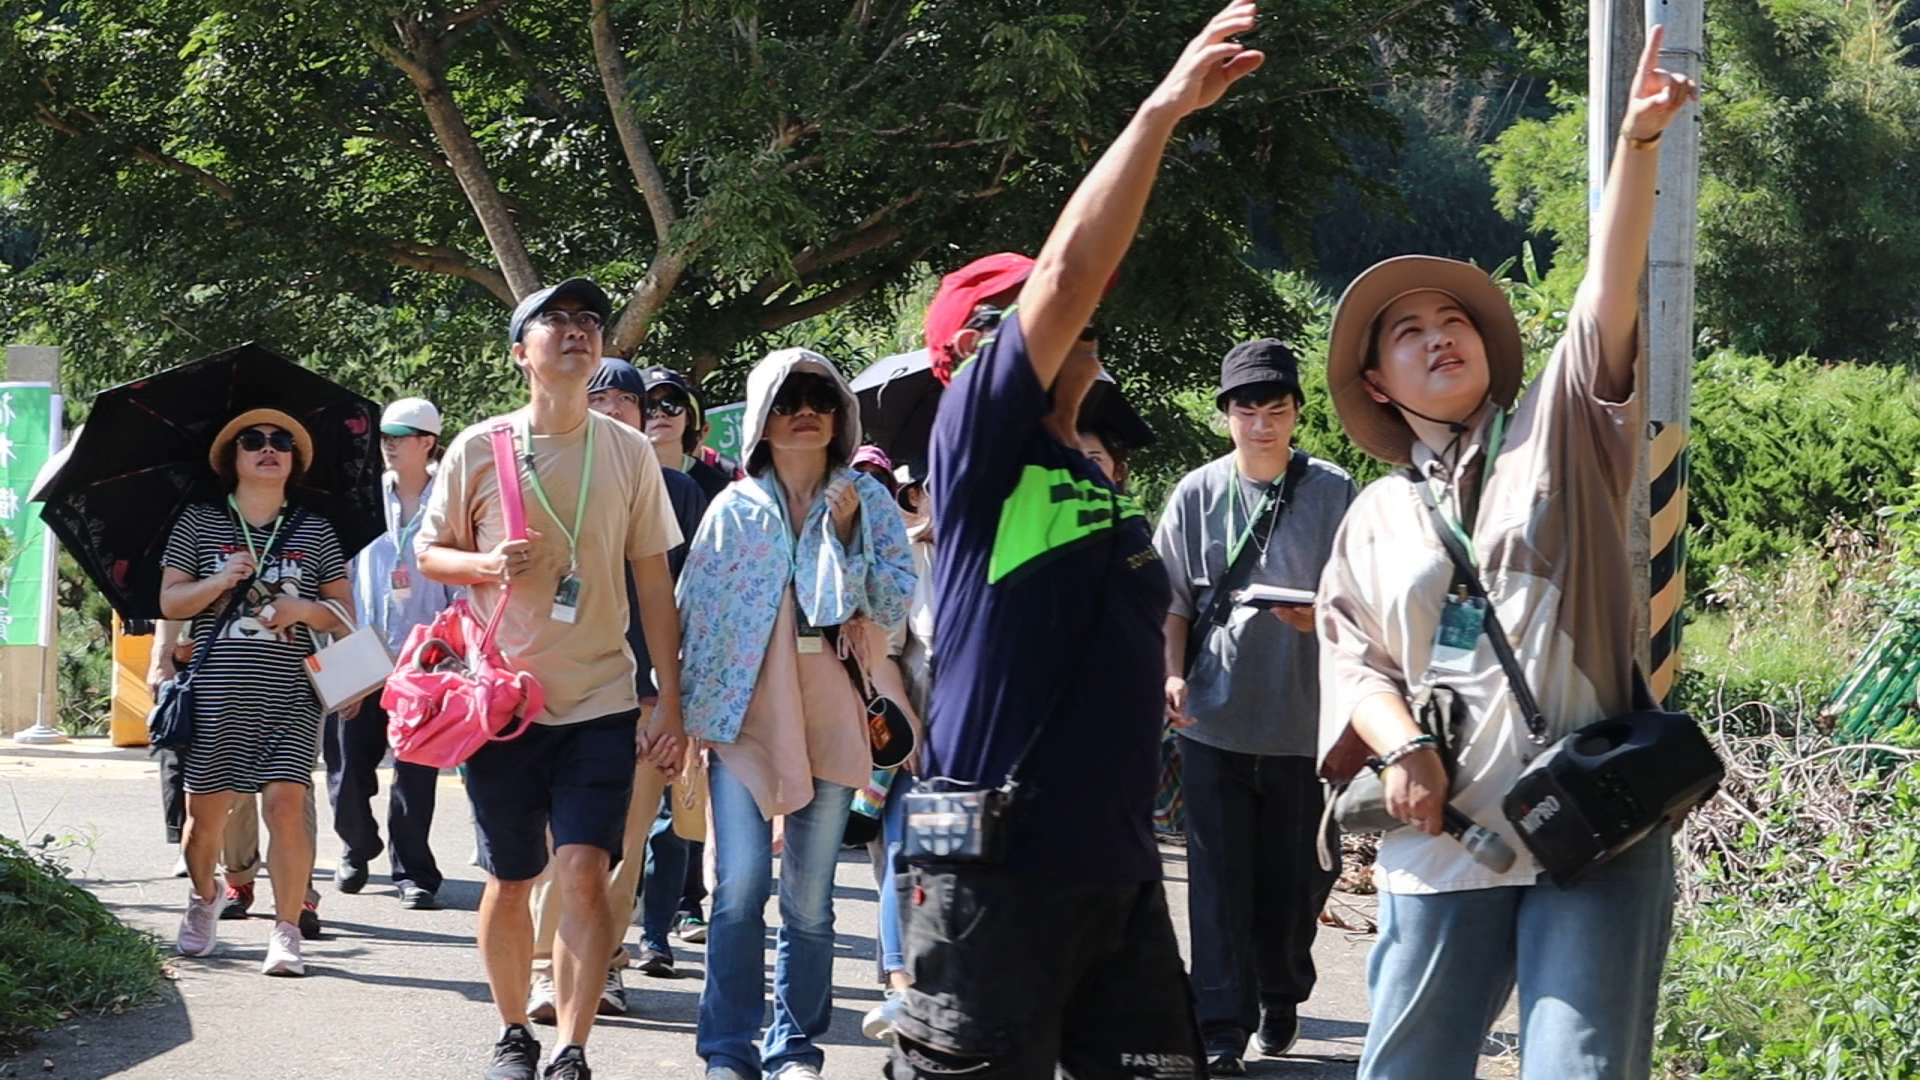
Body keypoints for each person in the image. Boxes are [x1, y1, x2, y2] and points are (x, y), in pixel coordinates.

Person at [1314, 31, 1696, 1080]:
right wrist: (1402, 751)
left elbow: (1604, 297)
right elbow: (1354, 665)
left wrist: (1637, 144)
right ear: (1379, 386)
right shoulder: (1373, 516)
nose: (1439, 336)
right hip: (1446, 841)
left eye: (1455, 320)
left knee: (1580, 1066)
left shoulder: (1561, 426)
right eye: (1408, 333)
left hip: (1594, 820)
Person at [894, 5, 1264, 1076]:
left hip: (1119, 875)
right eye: (1018, 317)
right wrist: (1161, 111)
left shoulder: (1094, 476)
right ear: (968, 354)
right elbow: (1065, 273)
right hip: (997, 881)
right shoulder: (981, 444)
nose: (1070, 320)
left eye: (1081, 317)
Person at [417, 277, 687, 1080]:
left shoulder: (631, 452)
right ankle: (512, 1033)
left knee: (582, 870)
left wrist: (667, 698)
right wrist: (488, 564)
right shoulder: (478, 446)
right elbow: (430, 555)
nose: (578, 331)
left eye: (589, 321)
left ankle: (571, 1047)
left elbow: (653, 586)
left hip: (603, 697)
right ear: (520, 354)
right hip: (501, 700)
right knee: (510, 878)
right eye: (557, 321)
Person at [677, 348, 915, 1080]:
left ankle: (795, 1047)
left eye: (820, 394)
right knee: (739, 886)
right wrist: (688, 723)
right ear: (760, 420)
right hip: (745, 715)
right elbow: (699, 618)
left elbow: (891, 605)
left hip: (831, 708)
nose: (805, 409)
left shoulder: (868, 500)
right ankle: (727, 1048)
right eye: (787, 397)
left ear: (841, 412)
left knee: (809, 901)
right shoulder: (733, 508)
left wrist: (845, 535)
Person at [1153, 341, 1356, 1074]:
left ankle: (1281, 988)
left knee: (1294, 880)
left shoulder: (1335, 490)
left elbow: (1364, 597)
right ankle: (1219, 1025)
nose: (1262, 425)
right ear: (1226, 417)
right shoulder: (1195, 494)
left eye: (1277, 410)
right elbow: (1172, 604)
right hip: (1214, 722)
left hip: (1307, 726)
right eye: (1247, 410)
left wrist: (1322, 618)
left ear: (1298, 414)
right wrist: (1171, 677)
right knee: (1215, 884)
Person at [519, 357, 708, 1018]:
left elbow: (690, 602)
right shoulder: (541, 477)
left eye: (626, 400)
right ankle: (545, 968)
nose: (615, 408)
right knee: (559, 849)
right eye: (599, 396)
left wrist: (678, 702)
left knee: (618, 852)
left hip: (644, 698)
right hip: (551, 695)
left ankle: (604, 964)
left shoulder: (679, 493)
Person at [160, 408, 355, 977]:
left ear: (294, 461)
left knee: (286, 807)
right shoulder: (199, 523)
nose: (269, 449)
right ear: (234, 457)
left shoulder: (314, 529)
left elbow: (345, 615)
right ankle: (204, 898)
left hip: (293, 691)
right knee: (205, 820)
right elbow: (171, 603)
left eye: (282, 442)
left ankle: (287, 928)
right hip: (217, 692)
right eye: (255, 440)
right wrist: (220, 581)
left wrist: (305, 608)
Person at [325, 397, 456, 911]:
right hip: (360, 645)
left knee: (416, 767)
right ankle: (356, 847)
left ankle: (414, 871)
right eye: (385, 435)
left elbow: (460, 579)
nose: (390, 444)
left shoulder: (448, 500)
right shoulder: (361, 496)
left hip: (425, 657)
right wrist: (340, 639)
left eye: (402, 435)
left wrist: (451, 648)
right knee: (347, 759)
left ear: (428, 442)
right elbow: (339, 572)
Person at [635, 364, 735, 500]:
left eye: (671, 404)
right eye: (648, 406)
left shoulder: (718, 486)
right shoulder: (623, 478)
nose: (660, 413)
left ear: (688, 416)